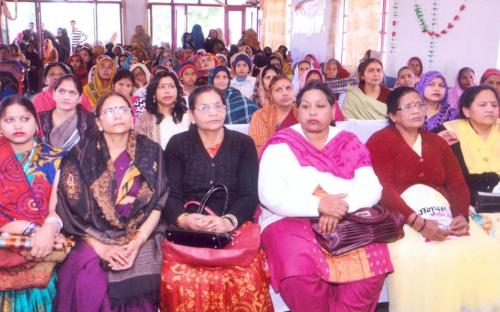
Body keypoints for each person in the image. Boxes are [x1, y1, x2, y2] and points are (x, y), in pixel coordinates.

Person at [259, 81, 391, 311]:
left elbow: (372, 187)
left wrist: (340, 207)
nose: (312, 112)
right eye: (306, 106)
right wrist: (319, 205)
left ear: (332, 111)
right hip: (288, 217)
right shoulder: (281, 144)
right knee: (296, 270)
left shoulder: (349, 142)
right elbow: (271, 195)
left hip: (348, 215)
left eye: (320, 106)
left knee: (372, 265)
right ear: (297, 111)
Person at [366, 86, 500, 312]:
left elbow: (457, 183)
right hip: (401, 213)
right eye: (408, 107)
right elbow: (383, 188)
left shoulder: (437, 142)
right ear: (392, 115)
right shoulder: (380, 140)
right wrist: (417, 222)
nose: (417, 110)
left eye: (419, 104)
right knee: (414, 254)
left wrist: (460, 215)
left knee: (483, 246)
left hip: (443, 210)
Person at [161, 85, 272, 311]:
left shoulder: (243, 144)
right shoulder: (178, 144)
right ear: (191, 114)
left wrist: (228, 221)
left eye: (218, 106)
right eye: (204, 107)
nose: (213, 112)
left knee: (246, 275)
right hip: (189, 229)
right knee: (178, 278)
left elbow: (249, 194)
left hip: (233, 225)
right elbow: (170, 194)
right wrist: (183, 219)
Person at [56, 91, 168, 311]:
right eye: (110, 110)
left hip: (141, 234)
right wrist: (101, 248)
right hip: (91, 235)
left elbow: (159, 203)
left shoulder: (151, 152)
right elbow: (70, 212)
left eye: (123, 109)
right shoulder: (79, 156)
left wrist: (136, 242)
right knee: (86, 278)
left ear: (132, 116)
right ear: (98, 121)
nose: (118, 115)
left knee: (143, 280)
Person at [0, 95, 67, 311]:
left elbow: (58, 209)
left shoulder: (56, 158)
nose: (18, 125)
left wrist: (48, 228)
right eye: (9, 120)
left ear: (36, 122)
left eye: (25, 119)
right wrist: (22, 227)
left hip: (43, 251)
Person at [441, 86, 500, 239]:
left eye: (494, 105)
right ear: (466, 111)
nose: (490, 109)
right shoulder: (448, 132)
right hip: (465, 198)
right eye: (482, 105)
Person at [39, 74, 97, 152]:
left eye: (72, 92)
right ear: (54, 94)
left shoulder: (90, 121)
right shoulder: (39, 119)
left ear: (80, 98)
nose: (66, 97)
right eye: (61, 91)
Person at [136, 71, 191, 149]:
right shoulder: (143, 119)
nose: (167, 91)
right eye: (161, 87)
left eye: (171, 86)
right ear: (154, 92)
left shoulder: (188, 116)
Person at [249, 75, 297, 154]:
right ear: (271, 96)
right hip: (271, 161)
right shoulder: (261, 115)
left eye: (288, 88)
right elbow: (260, 148)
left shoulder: (302, 113)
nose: (285, 93)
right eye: (279, 90)